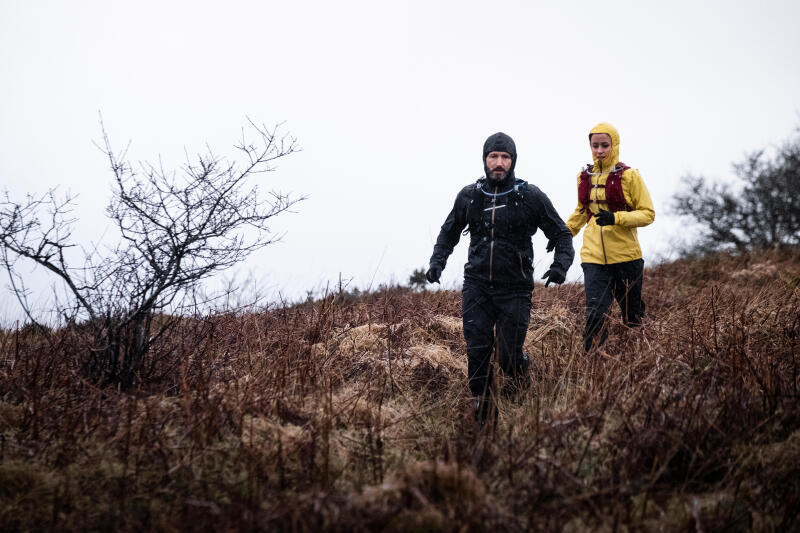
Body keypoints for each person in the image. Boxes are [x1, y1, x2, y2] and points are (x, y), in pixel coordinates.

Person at [426, 132, 574, 426]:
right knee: (477, 349)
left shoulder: (529, 196)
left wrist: (560, 265)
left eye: (505, 157)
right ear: (484, 160)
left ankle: (520, 374)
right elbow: (449, 232)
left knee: (508, 354)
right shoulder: (470, 196)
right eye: (493, 156)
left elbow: (561, 233)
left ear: (513, 161)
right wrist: (436, 262)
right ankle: (483, 412)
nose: (498, 163)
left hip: (515, 289)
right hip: (477, 285)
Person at [565, 122, 655, 353]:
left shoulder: (630, 176)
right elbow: (581, 211)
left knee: (632, 315)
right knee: (595, 312)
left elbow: (647, 214)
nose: (600, 150)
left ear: (614, 145)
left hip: (626, 257)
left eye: (605, 145)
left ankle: (637, 355)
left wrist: (616, 218)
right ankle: (593, 363)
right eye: (595, 145)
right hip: (593, 257)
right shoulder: (584, 176)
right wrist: (563, 235)